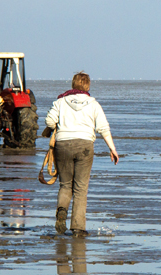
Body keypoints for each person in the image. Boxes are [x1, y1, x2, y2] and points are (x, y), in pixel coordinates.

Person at [45, 72, 119, 236]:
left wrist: (58, 124)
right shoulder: (93, 104)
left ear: (73, 84)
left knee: (65, 184)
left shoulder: (60, 101)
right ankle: (78, 228)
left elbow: (49, 121)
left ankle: (62, 209)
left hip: (63, 144)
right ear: (88, 86)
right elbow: (103, 128)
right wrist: (112, 149)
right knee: (80, 188)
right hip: (85, 145)